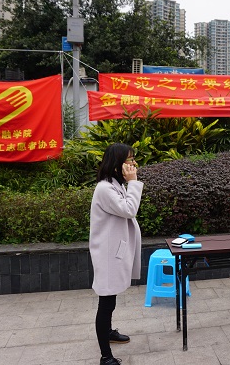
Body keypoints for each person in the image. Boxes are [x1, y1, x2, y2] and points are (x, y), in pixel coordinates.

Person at [89, 143, 143, 365]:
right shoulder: (104, 189)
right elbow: (129, 209)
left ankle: (109, 332)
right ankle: (106, 356)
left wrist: (129, 183)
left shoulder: (114, 184)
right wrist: (134, 182)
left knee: (110, 299)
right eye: (129, 160)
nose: (133, 164)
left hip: (113, 251)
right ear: (116, 163)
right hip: (107, 254)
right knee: (106, 302)